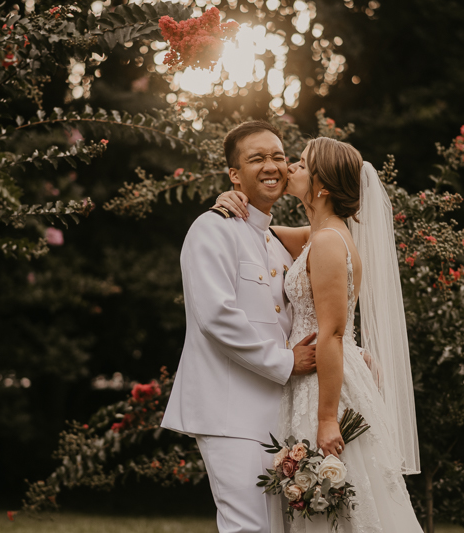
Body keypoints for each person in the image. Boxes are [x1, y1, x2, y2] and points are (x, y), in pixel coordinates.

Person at [216, 137, 422, 532]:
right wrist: (234, 198)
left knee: (338, 506)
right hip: (312, 377)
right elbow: (264, 233)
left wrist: (327, 420)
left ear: (322, 185)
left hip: (326, 385)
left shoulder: (327, 241)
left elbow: (332, 332)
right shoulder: (318, 235)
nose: (289, 168)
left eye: (301, 164)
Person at [161, 121, 319, 533]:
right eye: (257, 158)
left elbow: (339, 229)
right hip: (228, 410)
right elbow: (216, 316)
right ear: (234, 174)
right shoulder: (212, 228)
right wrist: (285, 361)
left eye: (278, 157)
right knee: (247, 528)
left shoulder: (274, 241)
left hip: (274, 412)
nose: (271, 165)